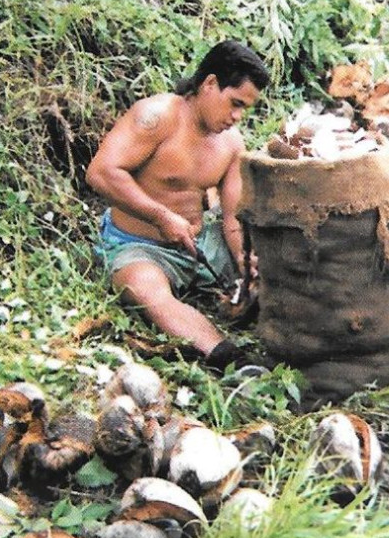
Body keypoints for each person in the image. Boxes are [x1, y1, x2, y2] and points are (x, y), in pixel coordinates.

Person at [86, 41, 270, 370]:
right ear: (210, 84)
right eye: (235, 104)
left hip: (201, 244)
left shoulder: (231, 143)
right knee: (146, 291)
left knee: (273, 259)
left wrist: (247, 266)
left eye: (245, 109)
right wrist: (160, 216)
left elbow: (232, 220)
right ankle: (230, 359)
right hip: (139, 245)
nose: (237, 116)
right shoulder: (156, 117)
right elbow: (101, 173)